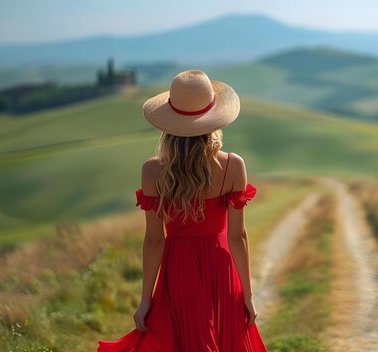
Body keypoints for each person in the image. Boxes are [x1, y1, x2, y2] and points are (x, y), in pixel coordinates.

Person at [97, 70, 268, 351]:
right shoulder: (233, 166)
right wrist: (247, 295)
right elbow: (238, 237)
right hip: (221, 269)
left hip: (178, 272)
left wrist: (146, 300)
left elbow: (154, 240)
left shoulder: (152, 171)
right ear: (214, 119)